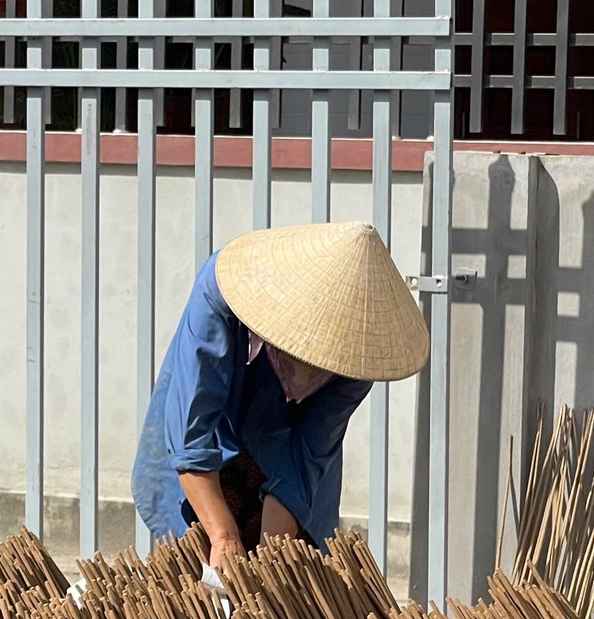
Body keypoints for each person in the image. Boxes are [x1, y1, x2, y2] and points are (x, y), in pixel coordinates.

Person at [131, 220, 429, 568]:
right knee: (198, 559)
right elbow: (191, 429)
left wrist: (268, 559)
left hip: (282, 460)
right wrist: (223, 536)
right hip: (212, 452)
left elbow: (308, 451)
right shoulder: (222, 288)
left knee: (281, 568)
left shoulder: (361, 352)